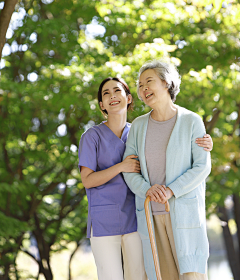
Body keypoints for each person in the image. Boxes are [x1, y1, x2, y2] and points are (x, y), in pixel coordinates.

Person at [78, 75, 212, 280]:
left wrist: (206, 144)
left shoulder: (138, 130)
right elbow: (87, 180)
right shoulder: (92, 136)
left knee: (141, 276)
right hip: (104, 220)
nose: (112, 96)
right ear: (101, 104)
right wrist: (121, 166)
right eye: (106, 94)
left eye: (117, 91)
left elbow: (168, 149)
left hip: (136, 219)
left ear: (129, 98)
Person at [123, 60, 211, 280]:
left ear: (166, 82)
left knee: (192, 275)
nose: (143, 89)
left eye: (149, 82)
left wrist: (171, 190)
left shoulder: (192, 121)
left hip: (184, 214)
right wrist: (147, 190)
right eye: (140, 85)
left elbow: (202, 166)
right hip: (151, 215)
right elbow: (130, 169)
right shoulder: (138, 127)